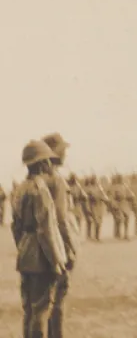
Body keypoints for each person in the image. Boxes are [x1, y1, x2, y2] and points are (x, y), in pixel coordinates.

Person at [12, 140, 68, 338]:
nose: (51, 166)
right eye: (48, 162)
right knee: (41, 311)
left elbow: (15, 227)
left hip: (25, 255)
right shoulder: (41, 190)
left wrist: (23, 247)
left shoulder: (19, 189)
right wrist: (56, 261)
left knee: (28, 310)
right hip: (41, 258)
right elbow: (47, 231)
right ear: (42, 165)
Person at [41, 133, 79, 338]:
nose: (65, 153)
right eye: (62, 149)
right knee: (58, 301)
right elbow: (61, 219)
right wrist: (69, 249)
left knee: (43, 302)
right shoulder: (57, 181)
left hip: (41, 248)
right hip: (58, 246)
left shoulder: (39, 179)